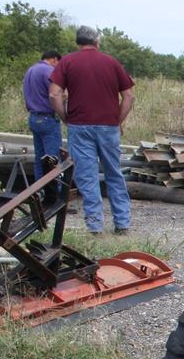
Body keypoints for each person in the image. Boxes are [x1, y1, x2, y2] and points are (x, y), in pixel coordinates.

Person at [49, 26, 135, 234]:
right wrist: (117, 120)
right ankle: (122, 224)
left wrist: (65, 118)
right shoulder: (111, 62)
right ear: (97, 41)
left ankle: (95, 227)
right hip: (108, 127)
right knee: (114, 173)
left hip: (79, 126)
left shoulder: (67, 62)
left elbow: (54, 94)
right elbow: (129, 95)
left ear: (78, 42)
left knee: (87, 177)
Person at [23, 51, 62, 181]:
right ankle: (54, 191)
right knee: (53, 159)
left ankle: (39, 189)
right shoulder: (49, 71)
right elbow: (55, 93)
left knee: (39, 158)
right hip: (47, 118)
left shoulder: (30, 70)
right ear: (54, 59)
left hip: (33, 117)